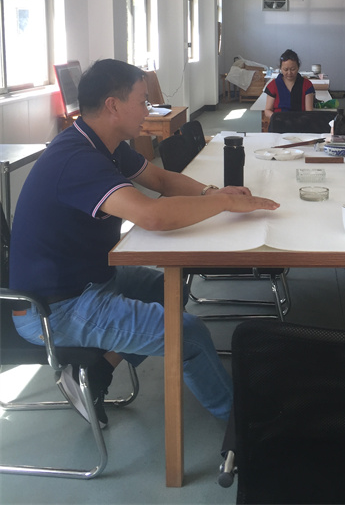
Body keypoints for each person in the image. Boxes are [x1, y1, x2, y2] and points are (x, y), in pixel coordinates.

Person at [9, 59, 279, 428]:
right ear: (113, 105)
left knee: (169, 288)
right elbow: (152, 216)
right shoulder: (77, 159)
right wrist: (225, 205)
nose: (148, 110)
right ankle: (241, 425)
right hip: (54, 308)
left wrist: (212, 193)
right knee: (188, 334)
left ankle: (96, 372)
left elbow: (161, 180)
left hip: (89, 279)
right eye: (142, 101)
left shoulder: (106, 144)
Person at [264, 49, 315, 122]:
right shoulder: (273, 85)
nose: (289, 73)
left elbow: (309, 112)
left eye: (293, 69)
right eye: (285, 69)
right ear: (280, 68)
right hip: (279, 122)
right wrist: (276, 118)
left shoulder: (307, 85)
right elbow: (267, 110)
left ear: (298, 67)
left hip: (300, 122)